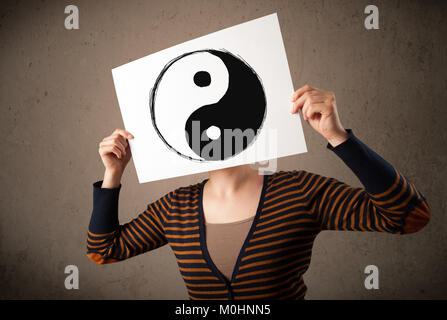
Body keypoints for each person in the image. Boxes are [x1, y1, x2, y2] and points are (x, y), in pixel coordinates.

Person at [87, 84, 430, 300]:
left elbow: (410, 215)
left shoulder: (299, 191)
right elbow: (104, 250)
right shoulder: (176, 207)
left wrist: (338, 136)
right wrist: (113, 173)